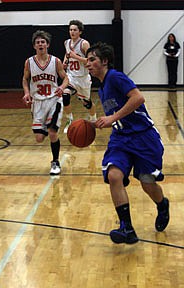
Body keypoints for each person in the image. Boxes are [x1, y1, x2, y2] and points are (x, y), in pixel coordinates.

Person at [86, 42, 170, 244]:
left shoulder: (115, 77)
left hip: (143, 137)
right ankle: (127, 228)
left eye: (92, 59)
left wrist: (112, 117)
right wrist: (96, 124)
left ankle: (162, 204)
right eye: (87, 60)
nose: (87, 64)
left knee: (147, 182)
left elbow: (138, 98)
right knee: (114, 175)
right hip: (121, 138)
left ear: (104, 61)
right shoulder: (102, 89)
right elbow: (116, 118)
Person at [22, 30, 68, 175]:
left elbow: (65, 78)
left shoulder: (56, 61)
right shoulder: (29, 62)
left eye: (43, 42)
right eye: (38, 42)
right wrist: (27, 92)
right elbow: (25, 79)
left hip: (54, 100)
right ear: (34, 46)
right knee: (39, 138)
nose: (40, 44)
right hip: (38, 102)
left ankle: (55, 162)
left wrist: (61, 87)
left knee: (53, 132)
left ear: (47, 45)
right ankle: (47, 127)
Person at [62, 19, 97, 133]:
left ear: (80, 31)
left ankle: (93, 119)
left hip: (83, 78)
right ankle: (69, 120)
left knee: (87, 103)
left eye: (75, 30)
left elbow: (90, 60)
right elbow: (67, 55)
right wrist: (65, 61)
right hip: (71, 76)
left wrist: (76, 57)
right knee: (65, 95)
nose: (72, 32)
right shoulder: (66, 42)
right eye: (70, 30)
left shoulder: (84, 44)